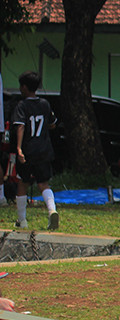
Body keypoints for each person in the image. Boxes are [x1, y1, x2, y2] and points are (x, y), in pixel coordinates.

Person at [12, 71, 58, 230]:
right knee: (44, 184)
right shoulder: (45, 104)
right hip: (44, 150)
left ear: (24, 87)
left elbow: (20, 126)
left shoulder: (22, 105)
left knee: (23, 183)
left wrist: (18, 148)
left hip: (28, 150)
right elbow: (53, 123)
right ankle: (52, 210)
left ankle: (22, 220)